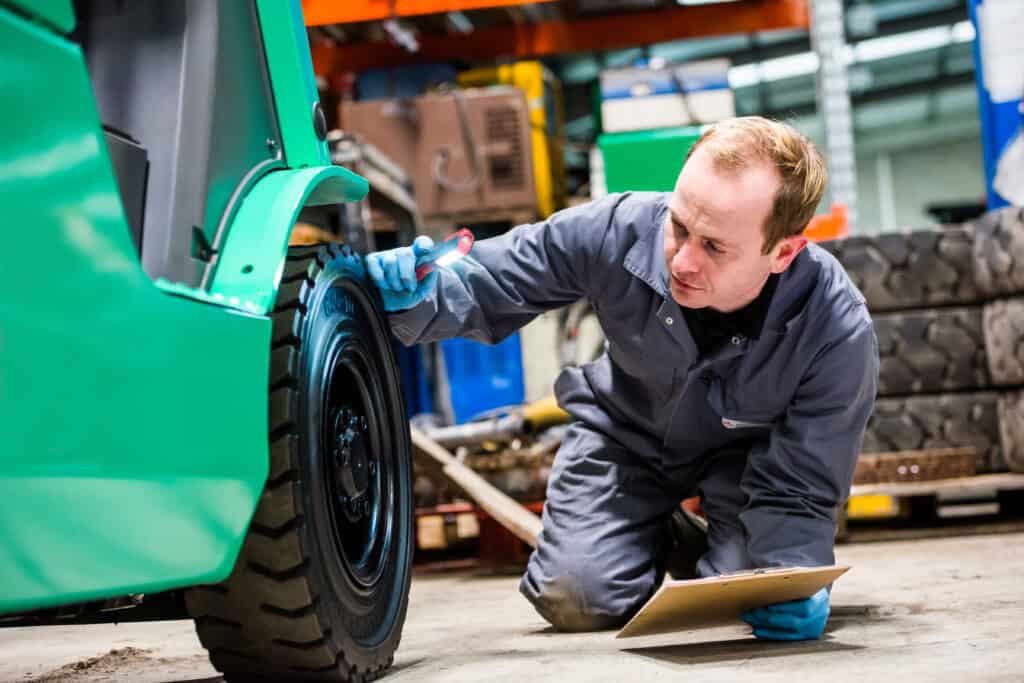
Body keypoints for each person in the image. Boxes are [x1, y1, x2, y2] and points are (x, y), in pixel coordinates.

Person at [365, 116, 878, 640]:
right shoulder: (615, 229)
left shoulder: (835, 329)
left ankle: (720, 551)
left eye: (715, 247)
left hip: (745, 461)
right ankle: (656, 533)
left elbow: (801, 485)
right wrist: (417, 293)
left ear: (783, 252)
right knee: (575, 596)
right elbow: (491, 278)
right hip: (625, 434)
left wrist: (793, 574)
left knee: (744, 594)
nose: (684, 260)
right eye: (680, 227)